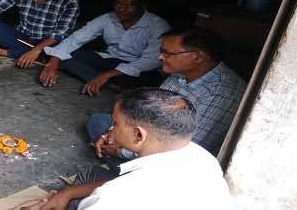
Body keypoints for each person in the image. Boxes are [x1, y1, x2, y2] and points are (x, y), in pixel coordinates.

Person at [35, 89, 233, 210]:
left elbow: (121, 191)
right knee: (91, 177)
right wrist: (67, 193)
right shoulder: (202, 157)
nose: (110, 130)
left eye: (115, 124)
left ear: (139, 135)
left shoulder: (112, 198)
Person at [87, 27, 247, 158]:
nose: (160, 56)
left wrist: (121, 150)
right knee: (99, 121)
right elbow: (146, 112)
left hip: (175, 160)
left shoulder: (223, 94)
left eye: (168, 53)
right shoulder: (179, 75)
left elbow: (182, 151)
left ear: (197, 57)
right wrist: (112, 134)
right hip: (149, 136)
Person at [39, 0, 170, 95]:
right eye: (118, 4)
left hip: (138, 68)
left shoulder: (157, 25)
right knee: (67, 57)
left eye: (129, 6)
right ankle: (110, 85)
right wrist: (53, 63)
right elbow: (77, 38)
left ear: (143, 7)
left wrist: (106, 75)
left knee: (151, 80)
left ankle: (100, 80)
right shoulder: (108, 18)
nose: (122, 9)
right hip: (110, 60)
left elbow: (152, 60)